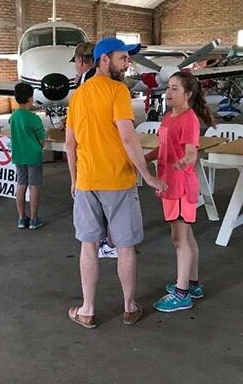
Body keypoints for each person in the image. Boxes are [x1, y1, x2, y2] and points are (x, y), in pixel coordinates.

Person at [65, 37, 167, 328]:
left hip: (86, 182)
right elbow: (127, 136)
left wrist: (74, 180)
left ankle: (87, 310)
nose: (128, 63)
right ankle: (129, 307)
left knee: (88, 246)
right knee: (125, 247)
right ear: (105, 60)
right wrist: (147, 175)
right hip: (118, 181)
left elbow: (70, 145)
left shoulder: (79, 96)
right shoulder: (118, 90)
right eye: (123, 58)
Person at [144, 71, 214, 312]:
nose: (168, 93)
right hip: (168, 184)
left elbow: (192, 151)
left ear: (188, 94)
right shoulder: (168, 117)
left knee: (179, 239)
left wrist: (186, 160)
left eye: (175, 89)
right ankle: (193, 283)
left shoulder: (189, 119)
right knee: (186, 236)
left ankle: (182, 292)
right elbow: (162, 148)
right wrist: (143, 160)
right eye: (168, 88)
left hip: (181, 186)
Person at [71, 41, 117, 259]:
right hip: (100, 156)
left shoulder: (89, 83)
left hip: (96, 159)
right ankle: (109, 241)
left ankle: (108, 242)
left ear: (80, 61)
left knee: (102, 205)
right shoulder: (104, 79)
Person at [9, 82, 46, 230]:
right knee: (34, 186)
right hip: (33, 156)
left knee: (21, 185)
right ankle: (34, 218)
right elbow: (42, 140)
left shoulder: (13, 117)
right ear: (31, 98)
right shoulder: (34, 118)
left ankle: (21, 218)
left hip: (19, 155)